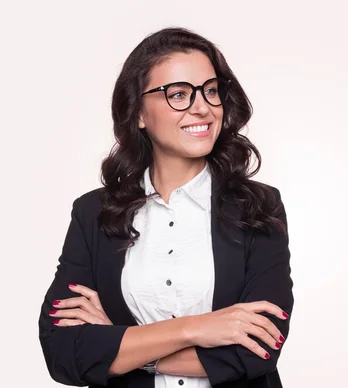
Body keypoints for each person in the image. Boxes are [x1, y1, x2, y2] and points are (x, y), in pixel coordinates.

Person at [38, 27, 294, 388]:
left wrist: (120, 342)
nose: (202, 107)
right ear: (138, 112)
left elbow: (256, 350)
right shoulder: (93, 213)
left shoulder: (259, 207)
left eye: (210, 90)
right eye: (178, 94)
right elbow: (65, 354)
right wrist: (195, 329)